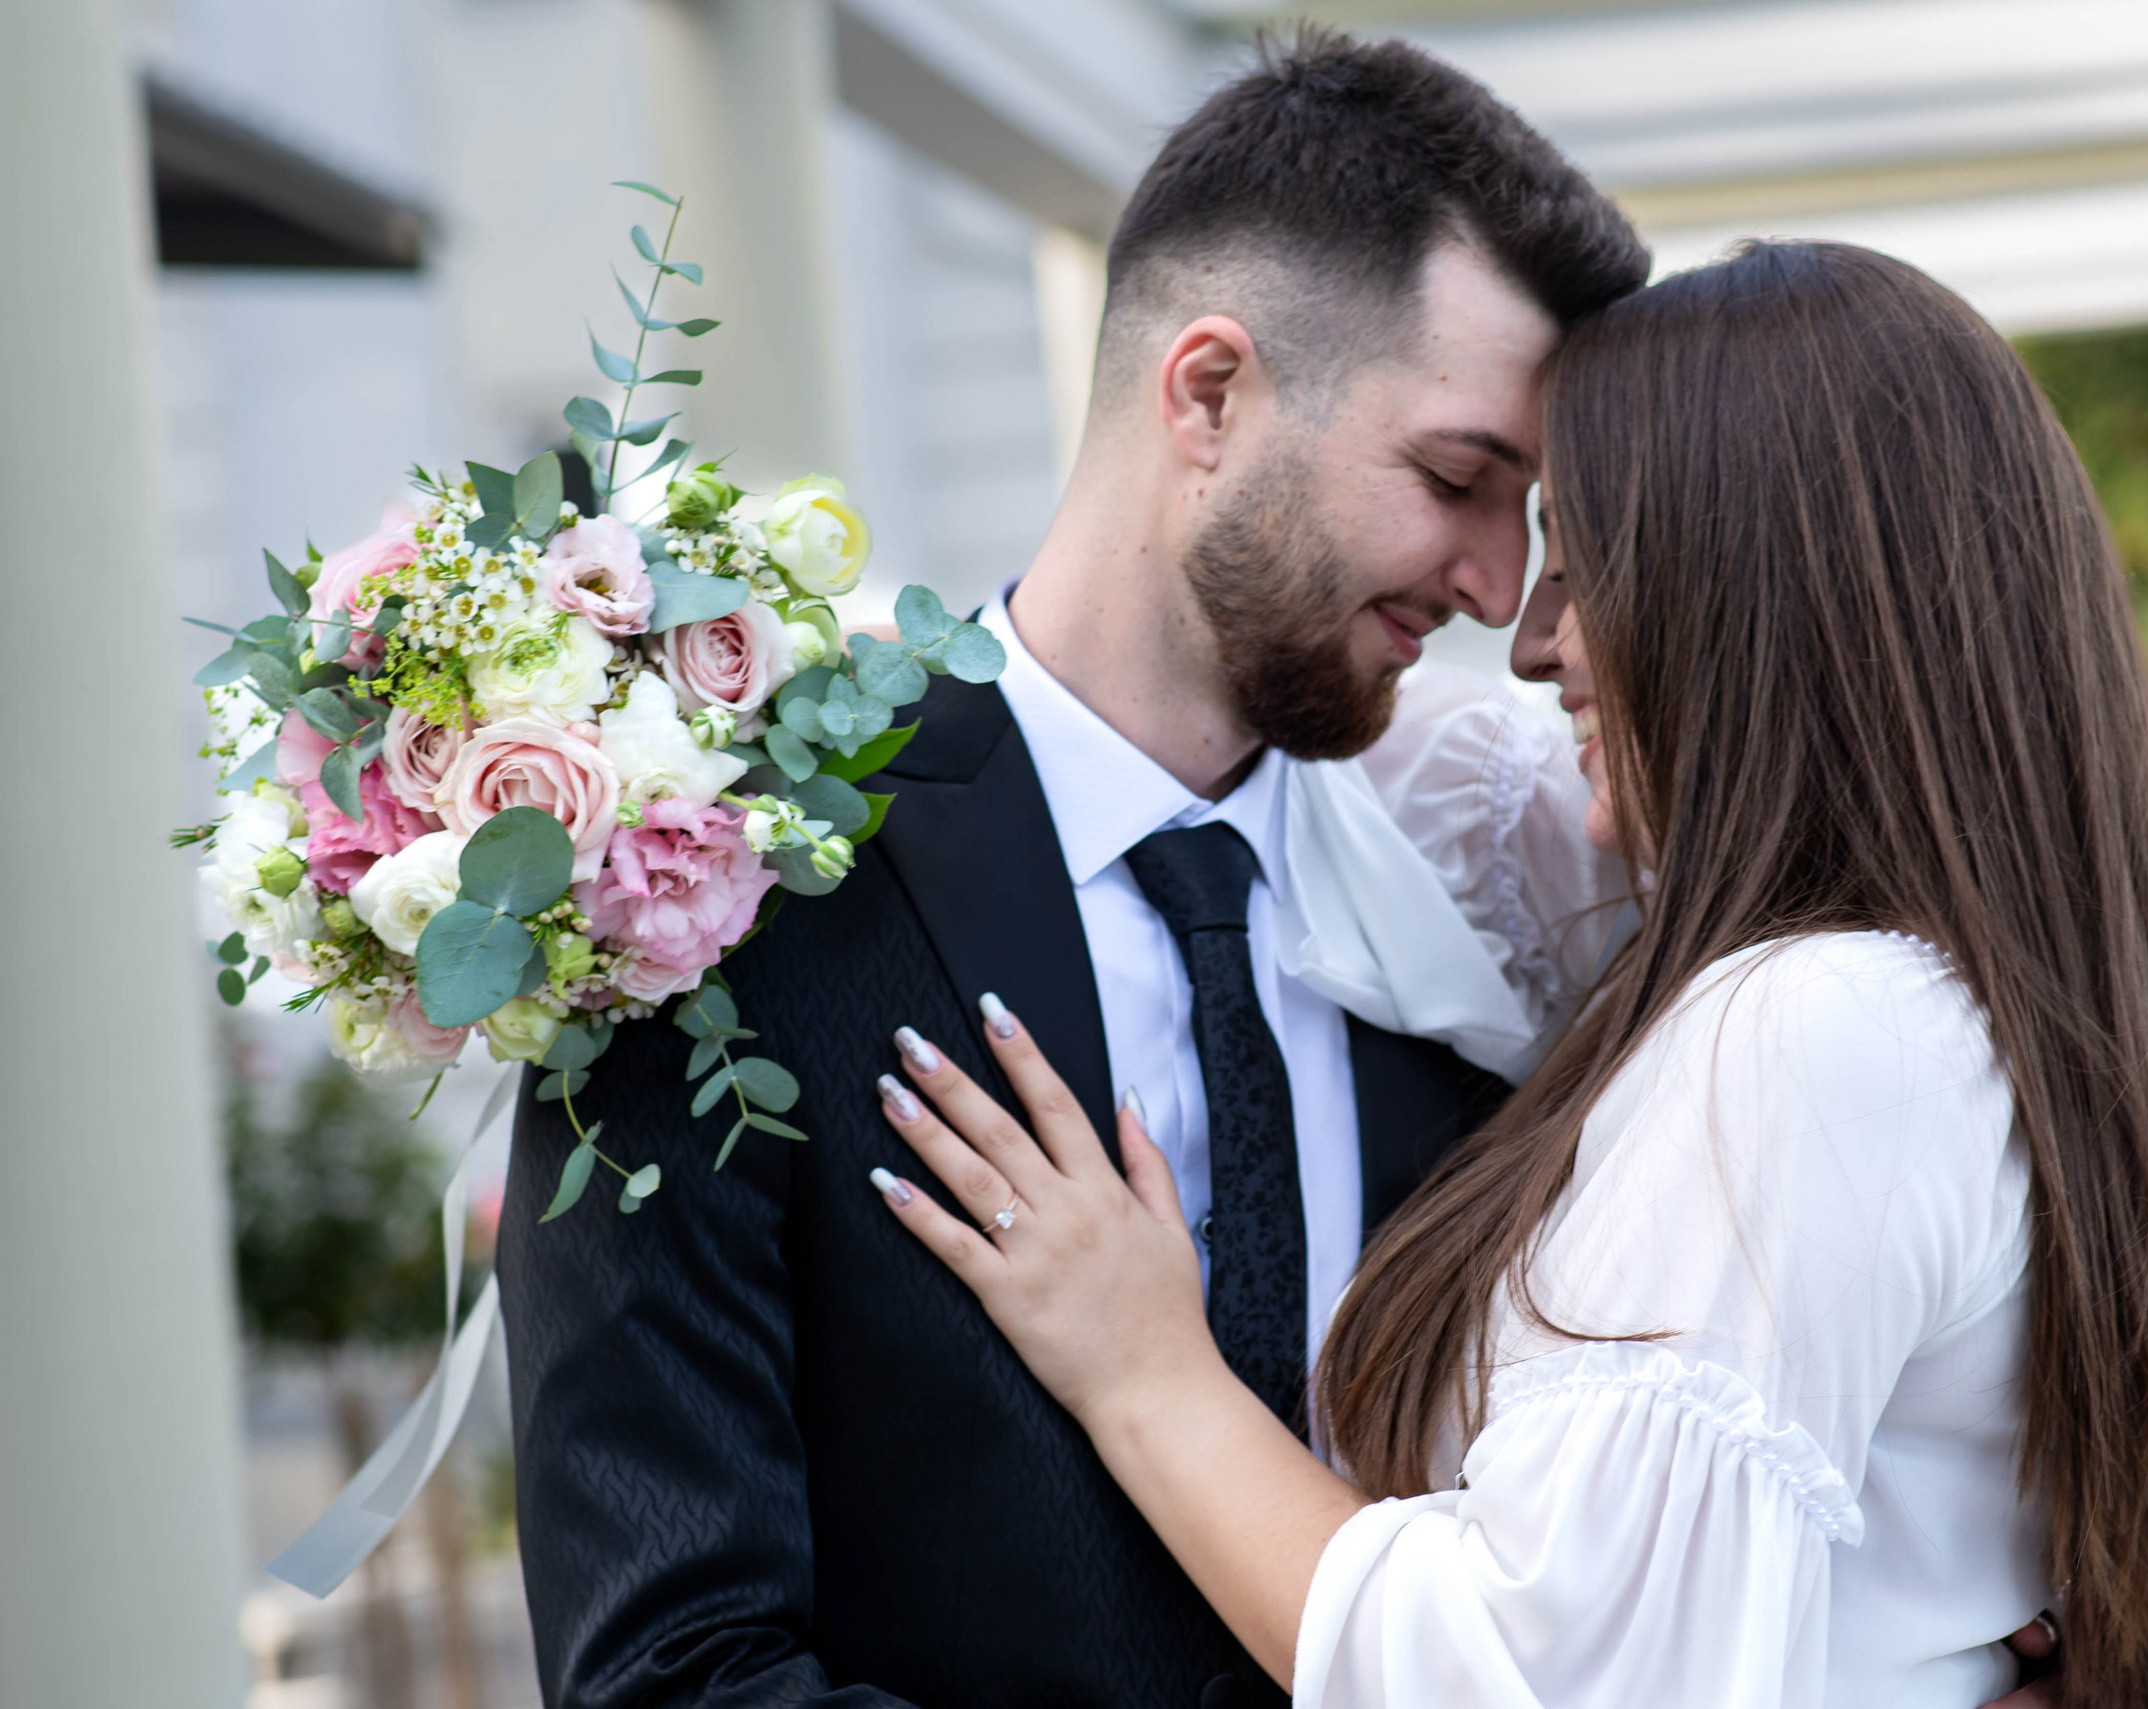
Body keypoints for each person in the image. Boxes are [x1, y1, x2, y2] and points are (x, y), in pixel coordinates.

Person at [868, 242, 2148, 1707]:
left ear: (1753, 597)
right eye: (1467, 491)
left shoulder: (1809, 1034)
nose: (1533, 634)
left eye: (1585, 557)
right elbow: (1221, 730)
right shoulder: (1970, 998)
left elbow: (1538, 1678)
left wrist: (1146, 1372)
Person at [499, 31, 1649, 1709]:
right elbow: (673, 1668)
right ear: (1208, 393)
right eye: (1460, 479)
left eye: (1529, 511)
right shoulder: (721, 894)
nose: (1495, 586)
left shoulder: (1498, 899)